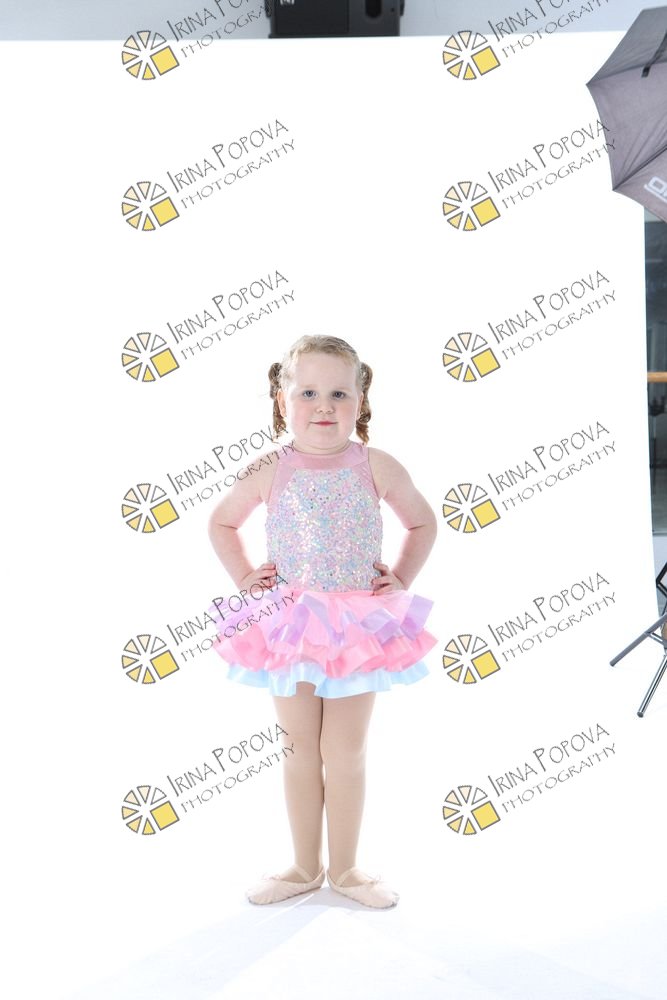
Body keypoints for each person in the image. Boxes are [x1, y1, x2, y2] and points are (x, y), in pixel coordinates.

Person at [207, 334, 438, 908]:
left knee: (346, 750)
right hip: (291, 626)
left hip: (357, 629)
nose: (324, 406)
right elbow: (222, 523)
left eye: (339, 393)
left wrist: (400, 579)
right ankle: (304, 866)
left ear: (360, 399)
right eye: (308, 392)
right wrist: (245, 577)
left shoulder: (376, 465)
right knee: (297, 748)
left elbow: (422, 523)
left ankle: (348, 870)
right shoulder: (269, 467)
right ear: (282, 399)